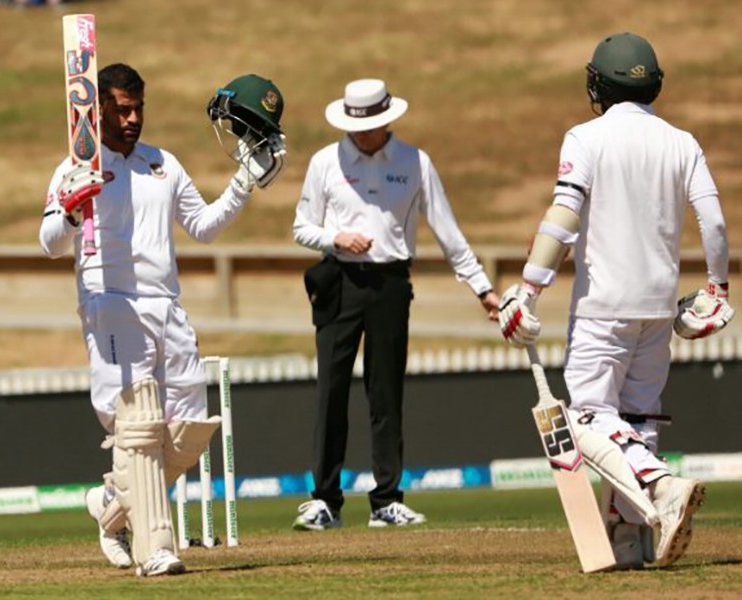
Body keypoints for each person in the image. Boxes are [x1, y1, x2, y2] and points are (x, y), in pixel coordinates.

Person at [498, 32, 734, 569]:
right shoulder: (683, 141)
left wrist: (529, 291)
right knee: (636, 420)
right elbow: (714, 221)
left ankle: (662, 488)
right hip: (658, 307)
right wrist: (718, 289)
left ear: (597, 84)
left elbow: (564, 218)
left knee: (585, 418)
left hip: (604, 306)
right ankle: (631, 542)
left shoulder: (585, 137)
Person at [39, 64, 287, 576]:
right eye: (122, 109)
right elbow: (49, 244)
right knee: (137, 427)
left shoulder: (162, 164)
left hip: (166, 303)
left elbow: (203, 228)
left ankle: (110, 505)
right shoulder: (75, 167)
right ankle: (155, 550)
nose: (132, 119)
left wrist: (242, 181)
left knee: (191, 424)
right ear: (97, 110)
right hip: (109, 300)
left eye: (138, 109)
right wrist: (70, 208)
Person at [291, 78, 501, 531]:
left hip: (389, 286)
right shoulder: (325, 161)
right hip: (339, 282)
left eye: (369, 126)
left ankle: (386, 499)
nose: (361, 136)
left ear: (387, 121)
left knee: (386, 395)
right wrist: (336, 237)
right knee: (331, 391)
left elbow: (449, 233)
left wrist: (482, 289)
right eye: (354, 126)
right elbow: (301, 227)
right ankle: (324, 500)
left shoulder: (415, 162)